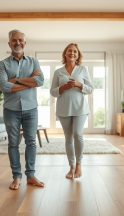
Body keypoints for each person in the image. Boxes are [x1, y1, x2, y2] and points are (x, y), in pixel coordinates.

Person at [0, 29, 44, 190]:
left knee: (31, 142)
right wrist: (29, 81)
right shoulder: (3, 64)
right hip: (11, 109)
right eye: (14, 40)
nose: (17, 43)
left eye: (20, 40)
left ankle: (30, 176)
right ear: (9, 43)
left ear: (25, 42)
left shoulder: (34, 61)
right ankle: (16, 177)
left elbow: (40, 81)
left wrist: (15, 80)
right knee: (13, 143)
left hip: (31, 108)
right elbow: (4, 86)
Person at [50, 43, 94, 179]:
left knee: (77, 134)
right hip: (63, 109)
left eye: (75, 51)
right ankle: (71, 167)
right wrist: (63, 87)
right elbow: (52, 92)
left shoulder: (83, 70)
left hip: (80, 108)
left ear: (78, 54)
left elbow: (91, 89)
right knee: (68, 138)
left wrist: (80, 85)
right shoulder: (58, 72)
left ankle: (79, 165)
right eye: (70, 51)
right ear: (65, 53)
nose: (72, 53)